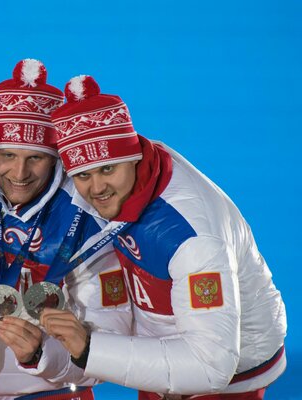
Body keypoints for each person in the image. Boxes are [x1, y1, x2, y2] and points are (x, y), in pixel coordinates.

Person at [40, 74, 287, 399]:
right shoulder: (135, 168)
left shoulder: (191, 236)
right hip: (165, 349)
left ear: (132, 158)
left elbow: (211, 367)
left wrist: (89, 349)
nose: (97, 188)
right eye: (84, 175)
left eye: (108, 170)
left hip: (230, 374)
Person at [0, 60, 132, 399]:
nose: (20, 172)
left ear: (56, 159)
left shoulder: (88, 218)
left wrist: (39, 355)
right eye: (8, 154)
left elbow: (108, 350)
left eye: (35, 158)